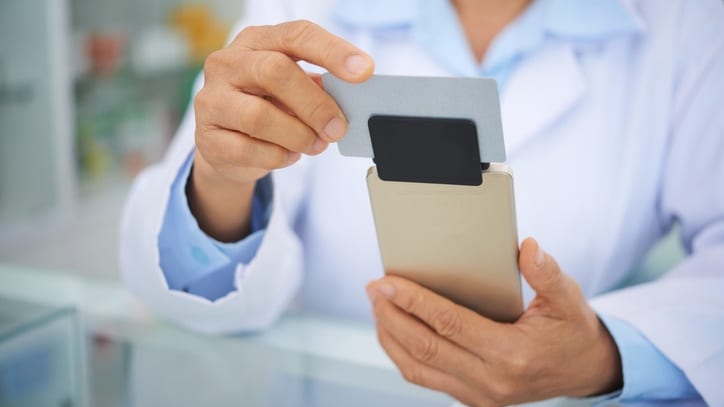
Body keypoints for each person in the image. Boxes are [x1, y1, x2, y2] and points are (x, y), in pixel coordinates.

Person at [120, 0, 724, 405]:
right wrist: (225, 177)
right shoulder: (301, 6)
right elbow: (190, 277)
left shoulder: (689, 24)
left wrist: (602, 354)